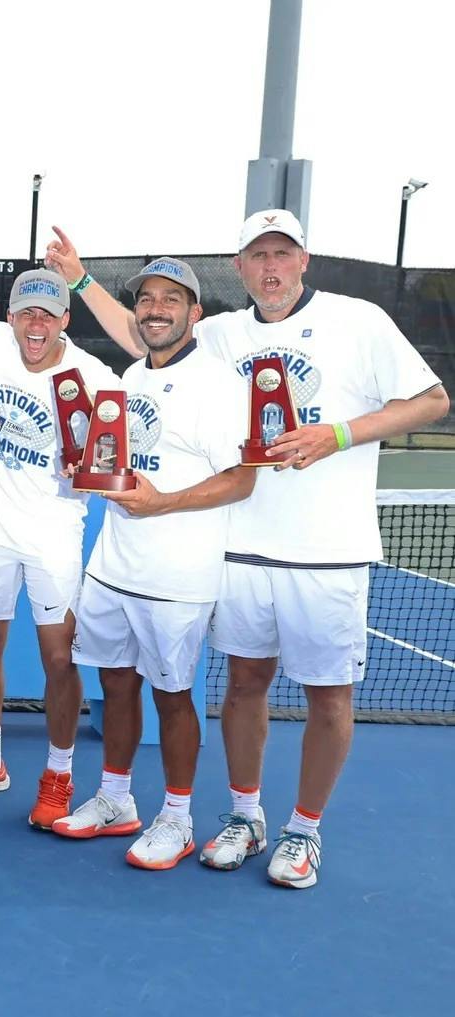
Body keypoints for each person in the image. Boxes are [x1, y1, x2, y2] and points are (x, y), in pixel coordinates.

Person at [49, 213, 449, 887]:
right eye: (257, 256)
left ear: (304, 261)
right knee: (243, 686)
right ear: (238, 267)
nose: (270, 268)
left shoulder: (361, 319)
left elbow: (433, 400)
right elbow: (142, 333)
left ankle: (305, 829)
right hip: (239, 548)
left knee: (329, 696)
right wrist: (81, 279)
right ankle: (245, 815)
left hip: (328, 548)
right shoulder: (223, 332)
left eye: (281, 255)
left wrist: (340, 434)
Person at [48, 259, 256, 871]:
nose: (156, 308)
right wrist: (85, 470)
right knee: (114, 685)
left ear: (196, 313)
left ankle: (178, 818)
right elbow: (116, 457)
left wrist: (162, 503)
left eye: (171, 299)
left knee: (172, 697)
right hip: (113, 564)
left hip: (176, 576)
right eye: (147, 299)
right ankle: (116, 800)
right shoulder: (132, 374)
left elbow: (243, 480)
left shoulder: (219, 384)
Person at [0, 270, 122, 829]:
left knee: (58, 658)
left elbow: (118, 448)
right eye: (26, 313)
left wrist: (94, 462)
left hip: (53, 536)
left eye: (48, 314)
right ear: (12, 318)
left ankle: (59, 774)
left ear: (65, 320)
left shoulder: (93, 376)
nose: (36, 324)